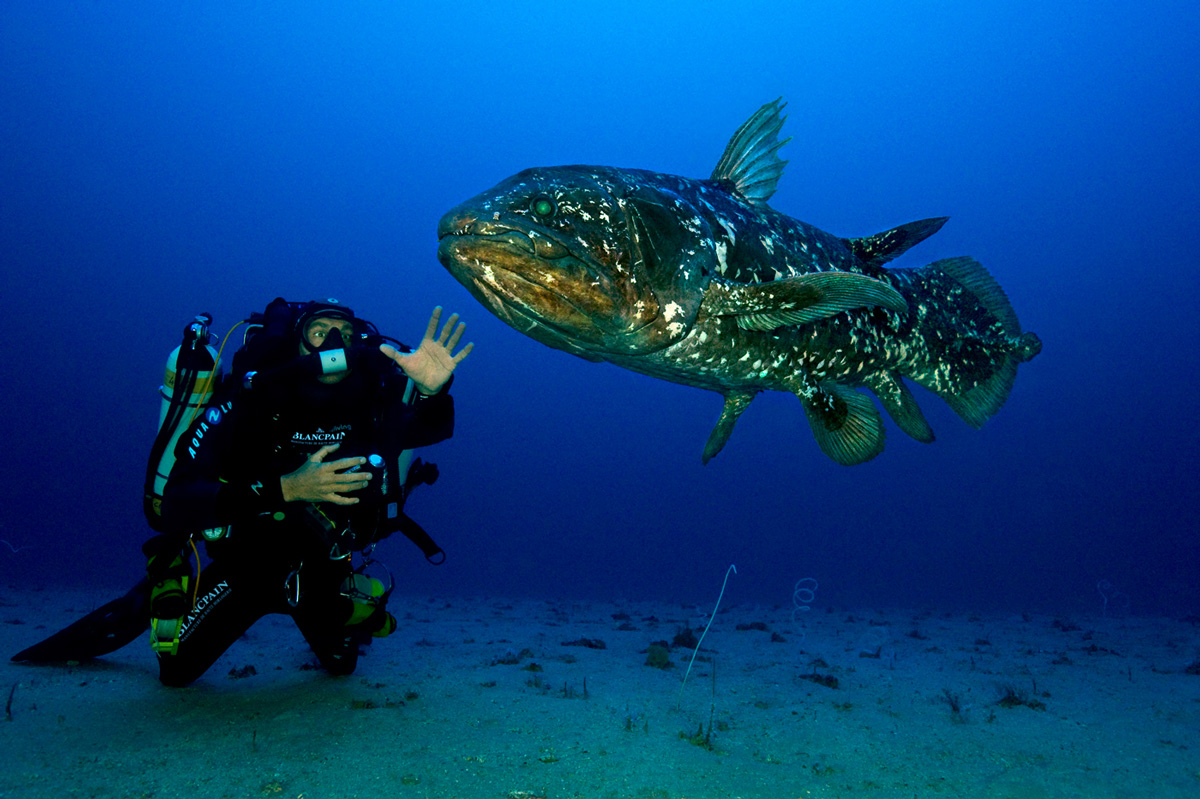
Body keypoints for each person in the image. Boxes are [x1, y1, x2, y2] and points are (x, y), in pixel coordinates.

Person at [141, 298, 472, 686]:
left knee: (342, 667)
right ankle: (166, 579)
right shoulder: (250, 400)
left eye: (344, 334)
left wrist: (433, 392)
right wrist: (285, 488)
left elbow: (427, 429)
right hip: (246, 565)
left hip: (322, 569)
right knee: (175, 672)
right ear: (295, 342)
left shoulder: (368, 402)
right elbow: (177, 501)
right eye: (318, 332)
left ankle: (347, 605)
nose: (332, 343)